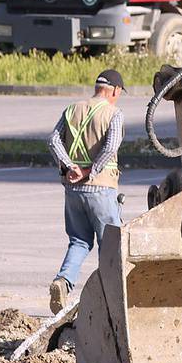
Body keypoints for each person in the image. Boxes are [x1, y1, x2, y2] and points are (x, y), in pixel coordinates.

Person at [47, 68, 126, 312]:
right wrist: (90, 171)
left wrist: (70, 166)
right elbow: (112, 146)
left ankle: (63, 281)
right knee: (110, 246)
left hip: (73, 190)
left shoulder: (72, 110)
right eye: (119, 92)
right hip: (100, 189)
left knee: (79, 240)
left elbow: (53, 140)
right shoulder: (114, 114)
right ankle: (109, 301)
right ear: (114, 90)